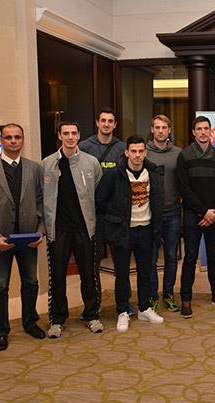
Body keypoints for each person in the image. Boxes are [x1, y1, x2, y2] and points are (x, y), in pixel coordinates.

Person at [0, 123, 46, 351]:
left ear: (22, 140)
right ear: (1, 141)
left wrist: (41, 231)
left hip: (28, 238)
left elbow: (41, 202)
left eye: (17, 137)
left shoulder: (34, 168)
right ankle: (1, 331)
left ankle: (30, 322)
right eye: (8, 137)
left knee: (31, 282)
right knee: (0, 287)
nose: (13, 141)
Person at [41, 121, 103, 338]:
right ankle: (57, 319)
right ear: (59, 136)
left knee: (88, 275)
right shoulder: (47, 164)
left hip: (84, 229)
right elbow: (42, 196)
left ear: (79, 136)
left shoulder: (91, 162)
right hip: (58, 230)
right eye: (65, 133)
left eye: (73, 133)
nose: (70, 137)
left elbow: (95, 187)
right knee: (57, 277)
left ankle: (92, 315)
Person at [97, 135, 165, 332]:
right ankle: (122, 311)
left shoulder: (153, 173)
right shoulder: (114, 174)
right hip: (123, 232)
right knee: (122, 274)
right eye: (133, 151)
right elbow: (101, 200)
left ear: (145, 152)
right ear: (126, 152)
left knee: (146, 272)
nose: (137, 155)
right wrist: (114, 221)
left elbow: (158, 201)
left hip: (146, 230)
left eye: (140, 151)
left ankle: (144, 308)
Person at [176, 116, 215, 319]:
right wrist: (203, 211)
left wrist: (213, 212)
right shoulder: (184, 155)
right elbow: (183, 188)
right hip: (193, 215)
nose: (202, 132)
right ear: (193, 132)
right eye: (199, 129)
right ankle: (186, 298)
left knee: (214, 257)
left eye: (206, 128)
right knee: (190, 258)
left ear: (210, 131)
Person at [78, 107, 128, 314]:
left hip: (116, 215)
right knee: (92, 263)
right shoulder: (84, 147)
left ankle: (123, 304)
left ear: (115, 125)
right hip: (92, 214)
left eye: (110, 121)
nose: (107, 124)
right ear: (97, 123)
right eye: (103, 121)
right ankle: (93, 306)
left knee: (121, 263)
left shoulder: (122, 148)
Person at [146, 115, 182, 313]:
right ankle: (152, 295)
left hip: (173, 213)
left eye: (164, 127)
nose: (160, 131)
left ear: (169, 130)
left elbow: (184, 182)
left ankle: (168, 294)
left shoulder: (178, 153)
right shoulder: (144, 152)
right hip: (150, 214)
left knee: (171, 257)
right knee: (151, 259)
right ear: (152, 130)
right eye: (157, 127)